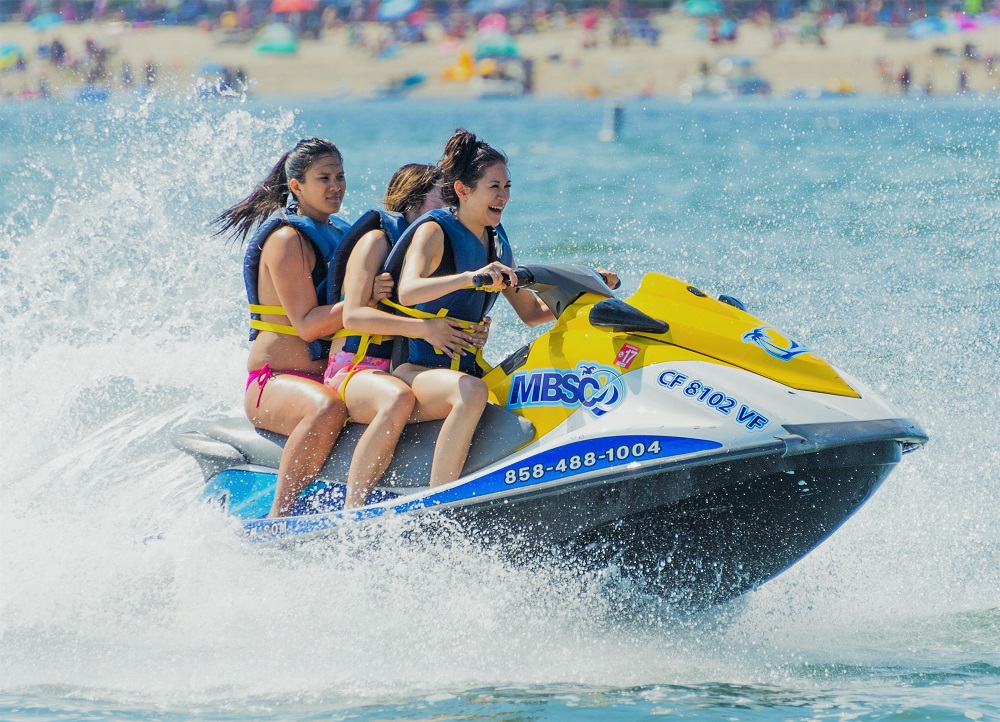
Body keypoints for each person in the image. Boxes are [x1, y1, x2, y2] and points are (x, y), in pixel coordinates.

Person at [213, 138, 388, 517]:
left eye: (340, 176)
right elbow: (308, 326)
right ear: (296, 186)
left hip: (330, 373)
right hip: (273, 381)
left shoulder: (341, 232)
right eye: (323, 178)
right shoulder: (286, 240)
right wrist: (364, 298)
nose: (335, 186)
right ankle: (280, 515)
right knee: (327, 408)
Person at [382, 129, 558, 486]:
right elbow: (409, 291)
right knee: (473, 392)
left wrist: (582, 294)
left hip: (463, 368)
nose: (504, 196)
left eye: (508, 187)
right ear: (463, 190)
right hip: (413, 371)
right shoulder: (434, 231)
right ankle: (438, 501)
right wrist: (469, 278)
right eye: (494, 187)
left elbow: (530, 313)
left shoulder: (497, 241)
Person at [324, 163, 488, 496]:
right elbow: (353, 316)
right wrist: (424, 328)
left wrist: (476, 331)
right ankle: (352, 510)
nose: (449, 210)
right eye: (440, 201)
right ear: (412, 205)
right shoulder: (376, 242)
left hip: (400, 370)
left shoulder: (431, 251)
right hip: (354, 369)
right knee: (397, 398)